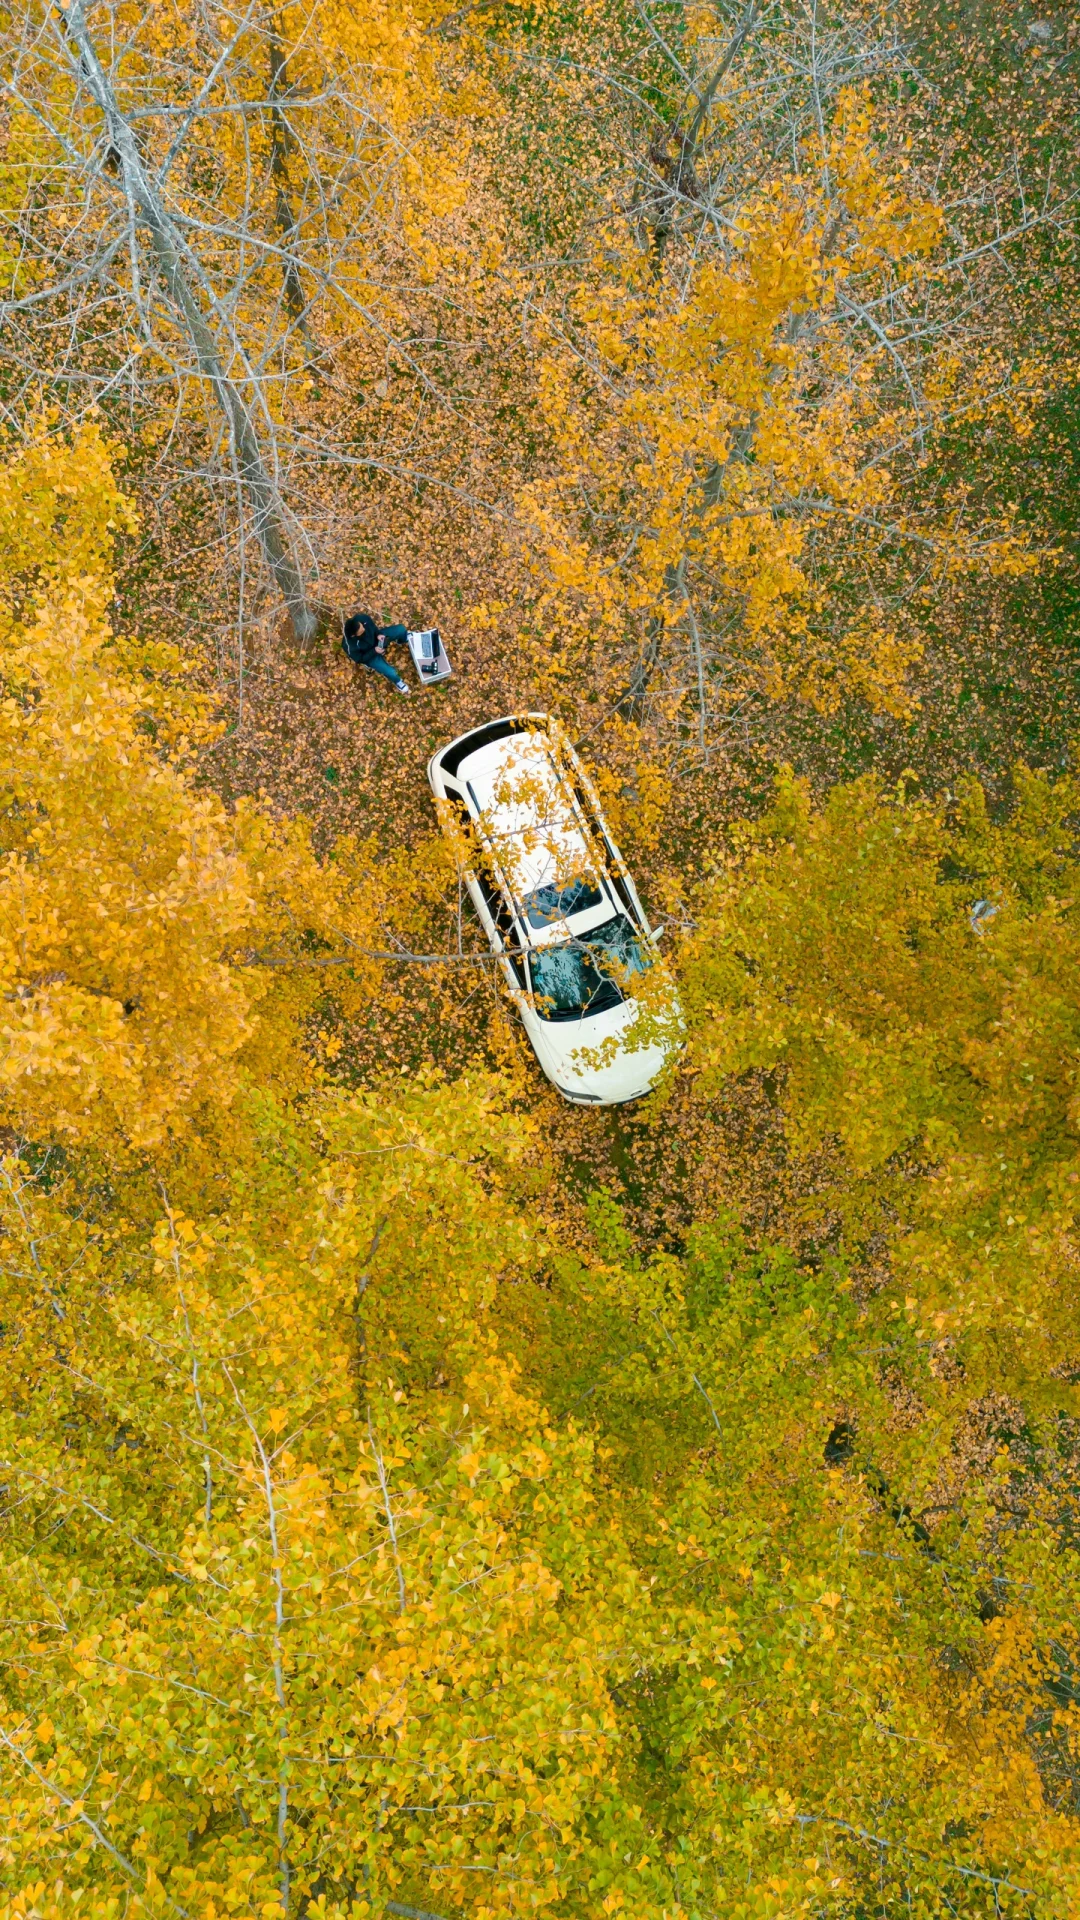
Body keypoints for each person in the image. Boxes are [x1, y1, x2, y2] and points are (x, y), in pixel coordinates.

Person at [341, 612, 412, 694]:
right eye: (362, 630)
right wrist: (374, 651)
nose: (364, 628)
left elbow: (373, 627)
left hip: (376, 639)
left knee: (401, 629)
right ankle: (398, 681)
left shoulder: (362, 618)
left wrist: (378, 634)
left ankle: (402, 639)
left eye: (362, 626)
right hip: (369, 655)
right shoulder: (348, 645)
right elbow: (360, 659)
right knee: (390, 672)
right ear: (354, 635)